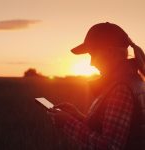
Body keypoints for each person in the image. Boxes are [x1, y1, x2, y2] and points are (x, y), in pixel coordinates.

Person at [48, 22, 145, 150]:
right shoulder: (131, 81)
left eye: (93, 54)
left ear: (110, 52)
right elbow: (112, 130)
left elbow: (111, 146)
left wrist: (68, 123)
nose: (91, 63)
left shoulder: (121, 89)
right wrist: (78, 117)